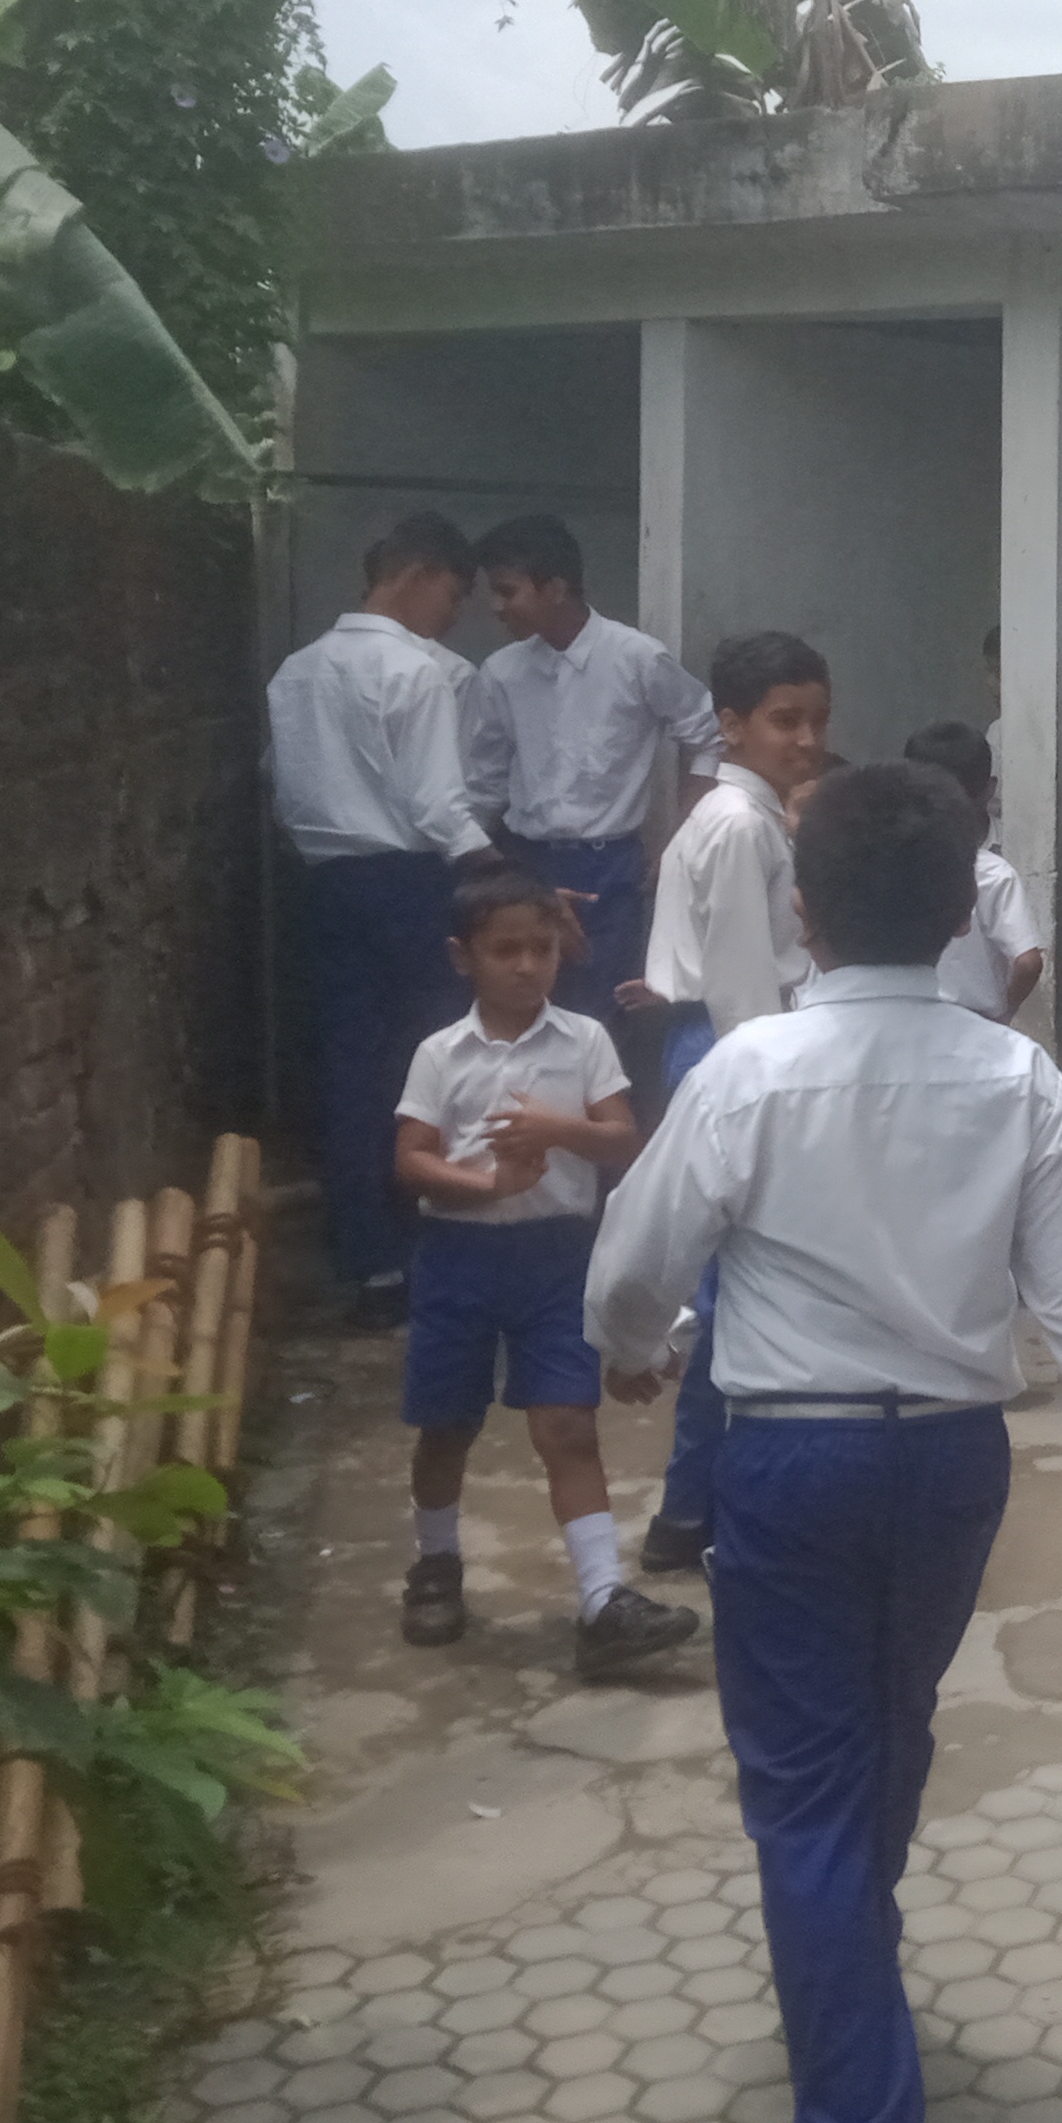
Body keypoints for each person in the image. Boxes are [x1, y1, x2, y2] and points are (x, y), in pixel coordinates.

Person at [586, 763, 1062, 2123]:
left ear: (804, 909)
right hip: (948, 1465)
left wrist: (631, 1349)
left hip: (791, 1462)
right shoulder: (1015, 1077)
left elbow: (634, 1260)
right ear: (957, 916)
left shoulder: (746, 1070)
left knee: (809, 1789)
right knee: (886, 1732)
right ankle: (849, 1973)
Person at [388, 870, 699, 1677]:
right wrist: (490, 1185)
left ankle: (601, 1598)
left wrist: (555, 1130)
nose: (528, 965)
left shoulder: (585, 1041)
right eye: (506, 950)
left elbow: (624, 1139)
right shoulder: (441, 1054)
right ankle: (436, 1562)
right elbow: (412, 1160)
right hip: (458, 1255)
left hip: (557, 1258)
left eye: (543, 948)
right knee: (446, 1424)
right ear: (464, 956)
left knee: (568, 1423)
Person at [267, 511, 498, 1328]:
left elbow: (282, 786)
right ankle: (451, 1240)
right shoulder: (415, 671)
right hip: (408, 880)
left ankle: (371, 1265)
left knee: (352, 1071)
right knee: (442, 1061)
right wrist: (502, 875)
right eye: (454, 593)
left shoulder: (294, 673)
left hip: (325, 881)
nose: (455, 614)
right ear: (416, 575)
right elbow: (438, 806)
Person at [632, 631, 831, 1575]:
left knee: (732, 1289)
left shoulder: (731, 815)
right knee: (734, 1297)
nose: (807, 740)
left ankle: (695, 1507)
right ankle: (691, 1508)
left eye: (818, 720)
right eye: (786, 721)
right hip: (732, 1047)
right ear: (731, 724)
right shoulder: (742, 825)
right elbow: (748, 990)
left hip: (709, 1043)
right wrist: (775, 1096)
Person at [465, 513, 721, 1097]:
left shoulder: (636, 658)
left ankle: (599, 1145)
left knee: (603, 1018)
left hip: (609, 868)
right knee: (518, 1007)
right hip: (523, 861)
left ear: (556, 587)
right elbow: (482, 783)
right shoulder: (501, 673)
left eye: (508, 591)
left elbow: (706, 731)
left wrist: (683, 836)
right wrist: (485, 871)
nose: (497, 608)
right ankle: (524, 1135)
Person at [902, 719, 1042, 1027]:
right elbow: (1029, 962)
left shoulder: (891, 863)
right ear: (988, 788)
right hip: (975, 1023)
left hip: (908, 1019)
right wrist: (1004, 1012)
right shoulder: (994, 872)